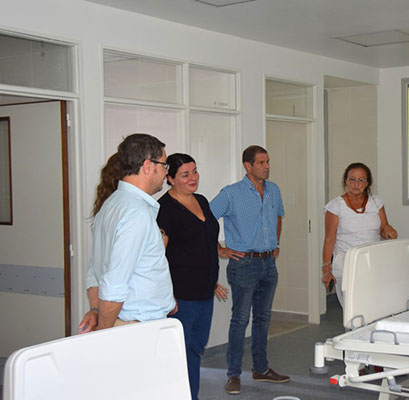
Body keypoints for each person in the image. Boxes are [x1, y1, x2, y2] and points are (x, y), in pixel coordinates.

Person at [210, 145, 288, 395]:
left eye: (268, 162)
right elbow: (205, 220)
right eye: (261, 163)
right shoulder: (231, 193)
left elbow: (278, 216)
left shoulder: (273, 190)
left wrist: (275, 243)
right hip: (244, 264)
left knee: (263, 318)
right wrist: (220, 249)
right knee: (240, 319)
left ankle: (261, 369)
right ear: (248, 166)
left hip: (268, 263)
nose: (266, 167)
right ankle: (233, 375)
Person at [80, 133, 176, 331]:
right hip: (138, 326)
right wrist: (104, 334)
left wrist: (96, 311)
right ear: (148, 166)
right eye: (164, 165)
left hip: (128, 321)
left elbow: (95, 272)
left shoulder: (112, 205)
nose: (166, 173)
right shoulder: (136, 213)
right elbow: (114, 285)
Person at [157, 153, 229, 400]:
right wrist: (167, 296)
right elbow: (158, 257)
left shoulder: (201, 200)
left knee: (196, 349)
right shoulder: (165, 209)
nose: (193, 178)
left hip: (204, 291)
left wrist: (213, 278)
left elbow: (204, 240)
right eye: (185, 174)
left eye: (195, 171)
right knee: (181, 352)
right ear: (170, 178)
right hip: (180, 296)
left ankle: (191, 394)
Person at [321, 162, 397, 308]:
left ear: (367, 183)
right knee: (352, 309)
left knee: (374, 307)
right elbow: (329, 239)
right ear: (345, 181)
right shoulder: (335, 206)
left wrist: (389, 230)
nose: (356, 184)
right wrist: (326, 269)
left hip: (373, 262)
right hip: (346, 264)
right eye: (352, 179)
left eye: (361, 180)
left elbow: (383, 228)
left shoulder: (376, 202)